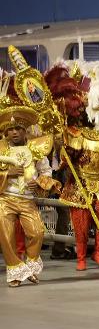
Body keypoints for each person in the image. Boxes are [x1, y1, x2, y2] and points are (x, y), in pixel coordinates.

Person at [46, 64, 99, 271]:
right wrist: (63, 149)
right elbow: (65, 161)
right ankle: (81, 257)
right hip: (78, 184)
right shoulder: (73, 135)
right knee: (80, 225)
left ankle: (98, 253)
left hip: (98, 185)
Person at [0, 105, 59, 287]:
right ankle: (15, 271)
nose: (14, 132)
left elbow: (46, 171)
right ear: (5, 132)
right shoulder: (1, 149)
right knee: (6, 234)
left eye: (18, 129)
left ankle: (30, 265)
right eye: (10, 129)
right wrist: (7, 174)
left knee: (37, 232)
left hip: (27, 200)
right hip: (5, 199)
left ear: (25, 131)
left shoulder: (36, 148)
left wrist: (39, 182)